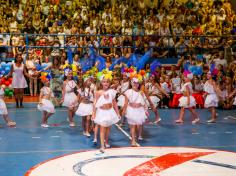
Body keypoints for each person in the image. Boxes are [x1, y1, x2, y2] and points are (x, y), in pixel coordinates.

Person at [92, 70, 120, 153]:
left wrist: (117, 112)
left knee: (108, 128)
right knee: (102, 129)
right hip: (102, 112)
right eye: (104, 82)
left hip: (110, 111)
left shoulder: (112, 92)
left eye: (107, 82)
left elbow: (114, 103)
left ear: (109, 83)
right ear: (101, 83)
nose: (106, 83)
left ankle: (106, 141)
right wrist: (94, 113)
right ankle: (102, 146)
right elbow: (95, 103)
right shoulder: (98, 92)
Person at [122, 75, 148, 146]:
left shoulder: (141, 92)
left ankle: (139, 134)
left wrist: (145, 110)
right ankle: (133, 140)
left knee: (139, 125)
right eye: (134, 83)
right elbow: (126, 103)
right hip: (131, 110)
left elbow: (143, 103)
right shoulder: (128, 92)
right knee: (132, 126)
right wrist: (124, 112)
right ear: (131, 83)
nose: (135, 84)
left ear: (139, 84)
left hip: (139, 110)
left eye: (137, 83)